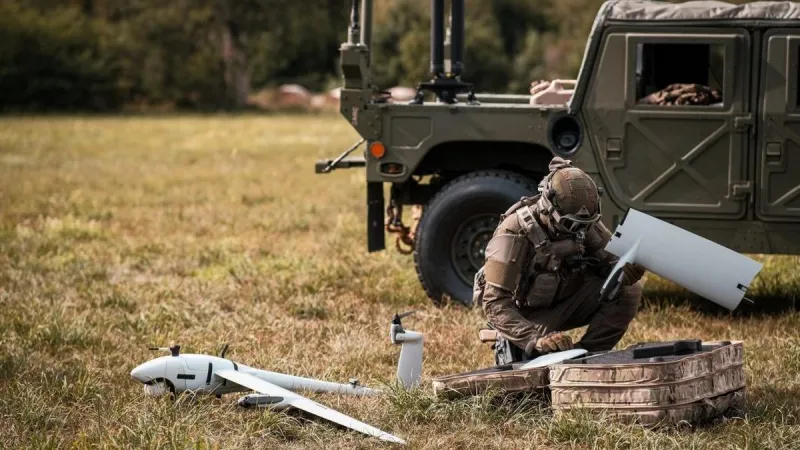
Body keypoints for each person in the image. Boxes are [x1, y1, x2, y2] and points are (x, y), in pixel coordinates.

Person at [475, 157, 645, 358]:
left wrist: (628, 268)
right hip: (527, 316)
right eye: (570, 225)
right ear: (548, 208)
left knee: (627, 290)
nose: (579, 230)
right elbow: (494, 303)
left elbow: (613, 262)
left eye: (586, 224)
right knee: (533, 364)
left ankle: (589, 356)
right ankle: (509, 339)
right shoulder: (514, 232)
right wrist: (535, 339)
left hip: (567, 300)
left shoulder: (582, 222)